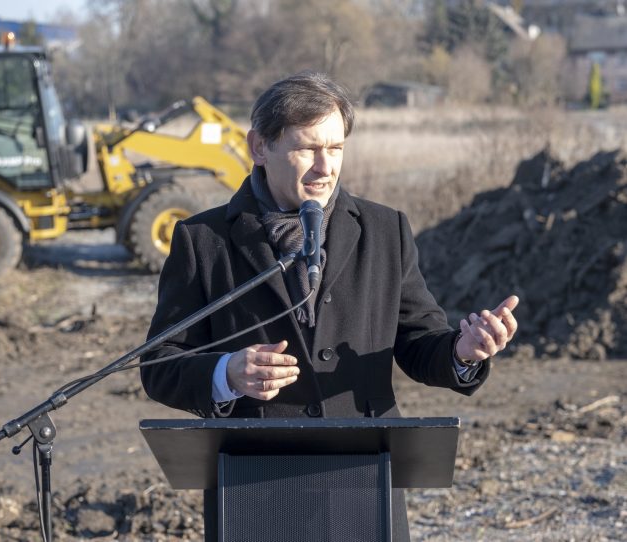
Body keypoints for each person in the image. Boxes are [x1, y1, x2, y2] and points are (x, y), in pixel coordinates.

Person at [140, 72, 519, 541]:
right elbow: (160, 364)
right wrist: (225, 374)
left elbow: (420, 341)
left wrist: (462, 352)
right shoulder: (202, 241)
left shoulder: (386, 230)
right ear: (259, 147)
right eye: (307, 149)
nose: (326, 167)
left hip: (364, 484)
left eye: (336, 149)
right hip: (254, 489)